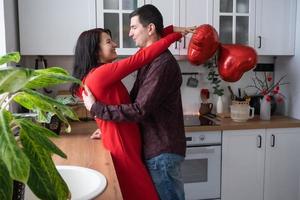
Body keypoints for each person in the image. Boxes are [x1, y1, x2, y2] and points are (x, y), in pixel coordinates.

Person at [70, 11, 195, 200]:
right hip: (126, 145)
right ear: (96, 52)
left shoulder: (159, 62)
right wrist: (174, 34)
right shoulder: (100, 74)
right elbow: (141, 57)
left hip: (151, 146)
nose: (118, 43)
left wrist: (168, 30)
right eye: (108, 41)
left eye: (134, 27)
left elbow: (144, 54)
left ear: (150, 29)